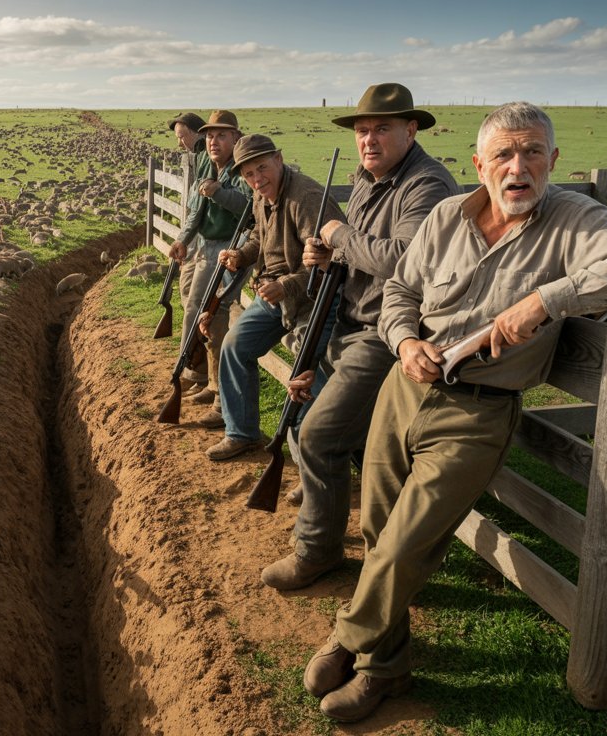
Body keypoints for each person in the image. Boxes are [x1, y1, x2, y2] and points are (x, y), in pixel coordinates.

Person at [302, 101, 607, 723]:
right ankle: (383, 668)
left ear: (552, 161)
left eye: (533, 152)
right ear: (479, 164)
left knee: (405, 543)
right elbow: (400, 288)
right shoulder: (449, 215)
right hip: (406, 388)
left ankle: (348, 636)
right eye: (503, 154)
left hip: (477, 412)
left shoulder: (574, 220)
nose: (518, 167)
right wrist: (404, 341)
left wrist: (546, 300)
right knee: (377, 530)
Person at [261, 83, 459, 591]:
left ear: (411, 129)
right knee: (359, 443)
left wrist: (336, 237)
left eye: (382, 128)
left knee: (319, 436)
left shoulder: (426, 185)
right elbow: (362, 255)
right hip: (350, 323)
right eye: (362, 130)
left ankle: (316, 552)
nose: (368, 139)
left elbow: (402, 260)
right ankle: (383, 550)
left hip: (386, 336)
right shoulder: (372, 180)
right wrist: (330, 257)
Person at [201, 134, 341, 460]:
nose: (257, 179)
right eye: (249, 174)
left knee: (309, 378)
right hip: (276, 295)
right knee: (236, 346)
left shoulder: (306, 199)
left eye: (262, 168)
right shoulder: (260, 196)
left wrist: (286, 286)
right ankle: (242, 434)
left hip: (315, 301)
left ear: (278, 159)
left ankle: (313, 458)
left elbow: (331, 263)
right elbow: (260, 239)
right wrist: (241, 255)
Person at [167, 111, 252, 410]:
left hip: (229, 247)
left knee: (208, 313)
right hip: (207, 245)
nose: (214, 141)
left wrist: (219, 194)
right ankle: (206, 379)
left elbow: (249, 210)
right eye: (211, 136)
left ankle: (213, 388)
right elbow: (196, 210)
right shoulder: (209, 166)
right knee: (202, 313)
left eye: (222, 136)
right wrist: (183, 239)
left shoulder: (242, 170)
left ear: (235, 139)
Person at [167, 111, 213, 390]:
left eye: (182, 136)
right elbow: (197, 207)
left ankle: (193, 371)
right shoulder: (200, 156)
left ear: (198, 132)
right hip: (200, 239)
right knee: (187, 295)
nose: (180, 143)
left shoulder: (207, 157)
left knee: (198, 306)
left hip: (213, 244)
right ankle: (196, 368)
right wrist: (185, 239)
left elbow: (203, 207)